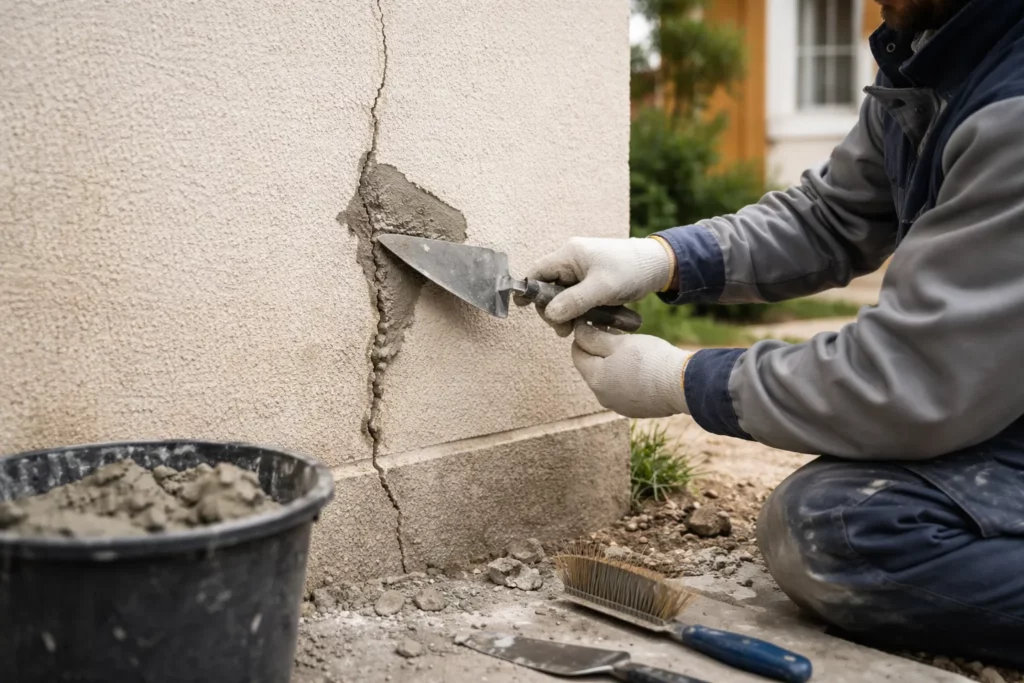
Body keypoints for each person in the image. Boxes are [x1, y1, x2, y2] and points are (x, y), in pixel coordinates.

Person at [517, 0, 1024, 666]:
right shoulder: (933, 52)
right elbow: (828, 215)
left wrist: (681, 379)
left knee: (841, 528)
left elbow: (906, 377)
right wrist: (660, 258)